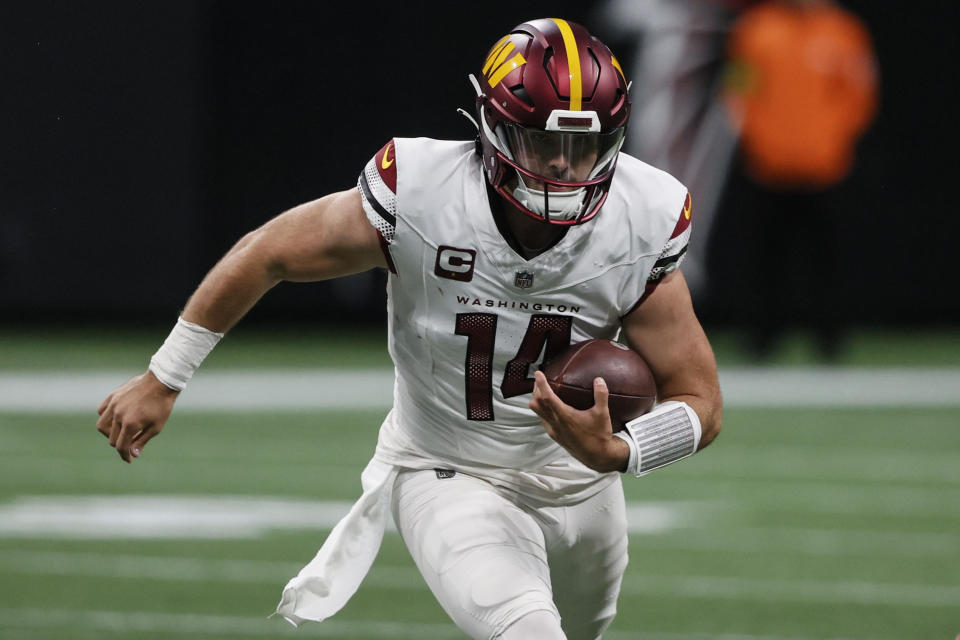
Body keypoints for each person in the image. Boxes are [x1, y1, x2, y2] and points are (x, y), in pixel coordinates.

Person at [97, 18, 722, 640]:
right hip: (449, 468)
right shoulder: (424, 192)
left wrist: (624, 450)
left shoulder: (643, 215)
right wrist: (165, 375)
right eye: (540, 144)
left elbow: (700, 400)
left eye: (582, 146)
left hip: (585, 486)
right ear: (493, 129)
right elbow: (271, 253)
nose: (562, 167)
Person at [721, 0, 877, 359]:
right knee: (764, 261)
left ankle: (830, 341)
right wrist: (759, 141)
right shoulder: (757, 29)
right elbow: (738, 91)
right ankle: (760, 342)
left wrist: (831, 142)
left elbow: (860, 94)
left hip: (826, 169)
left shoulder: (843, 30)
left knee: (828, 261)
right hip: (767, 168)